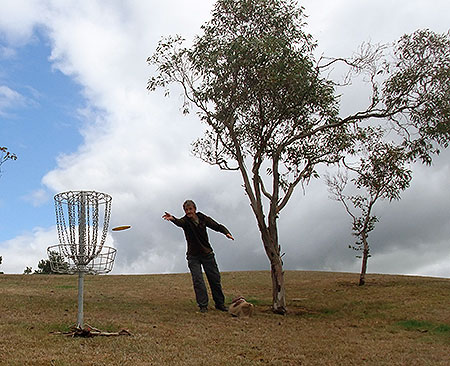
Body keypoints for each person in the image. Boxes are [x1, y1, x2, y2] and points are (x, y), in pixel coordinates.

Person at [162, 200, 234, 313]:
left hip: (207, 254)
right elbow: (179, 222)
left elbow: (217, 226)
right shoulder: (185, 221)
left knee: (214, 279)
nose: (189, 212)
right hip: (193, 256)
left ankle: (220, 304)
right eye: (186, 210)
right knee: (198, 281)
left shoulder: (203, 218)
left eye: (190, 209)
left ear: (195, 209)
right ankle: (203, 306)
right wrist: (173, 219)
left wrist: (226, 232)